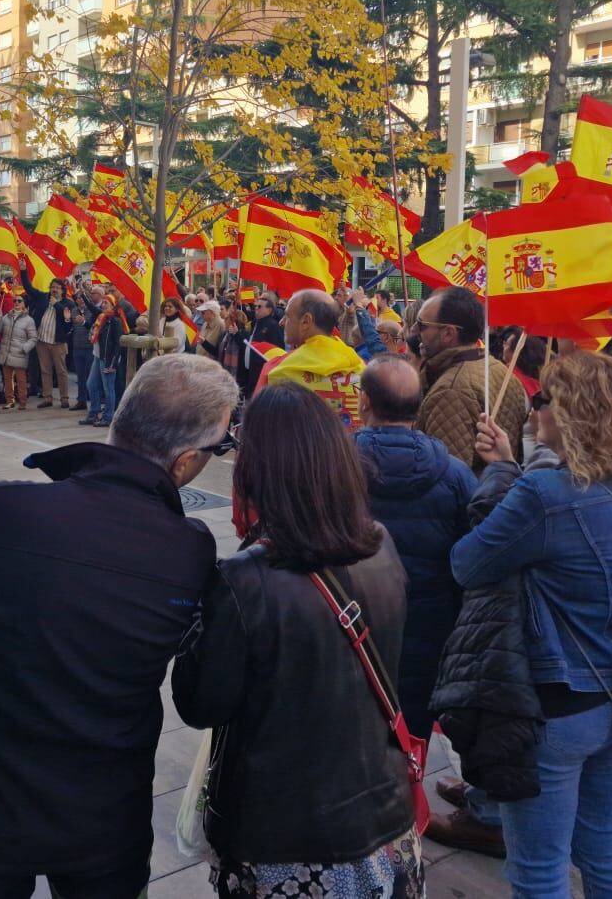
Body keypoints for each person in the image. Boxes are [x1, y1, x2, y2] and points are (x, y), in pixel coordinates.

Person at [0, 355, 238, 898]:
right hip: (102, 810)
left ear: (119, 418)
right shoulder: (189, 551)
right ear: (187, 462)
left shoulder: (1, 509)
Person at [173, 381, 421, 896]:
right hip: (383, 817)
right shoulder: (381, 544)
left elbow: (199, 702)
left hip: (287, 839)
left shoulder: (244, 580)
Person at [452, 352, 612, 898]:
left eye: (543, 398)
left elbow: (467, 563)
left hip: (556, 703)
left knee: (538, 869)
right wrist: (512, 465)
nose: (532, 409)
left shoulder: (546, 494)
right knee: (602, 847)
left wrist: (502, 473)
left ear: (572, 412)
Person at [354, 354, 474, 741]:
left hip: (351, 620)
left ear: (365, 401)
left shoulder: (332, 464)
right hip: (429, 622)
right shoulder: (457, 474)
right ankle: (408, 790)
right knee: (413, 723)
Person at [413, 287, 526, 470]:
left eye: (421, 325)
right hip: (499, 489)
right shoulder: (500, 370)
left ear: (448, 333)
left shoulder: (450, 391)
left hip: (476, 495)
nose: (414, 330)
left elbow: (446, 480)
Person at [255, 289, 364, 428]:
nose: (282, 322)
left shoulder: (277, 370)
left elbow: (257, 431)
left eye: (288, 316)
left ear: (306, 321)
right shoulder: (361, 368)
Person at [24, 272, 73, 407]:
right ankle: (48, 398)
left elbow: (68, 321)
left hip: (58, 343)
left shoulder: (67, 303)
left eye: (57, 287)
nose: (54, 289)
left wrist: (56, 304)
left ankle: (64, 398)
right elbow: (28, 288)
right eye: (52, 287)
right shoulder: (43, 298)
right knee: (45, 371)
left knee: (61, 371)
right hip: (42, 341)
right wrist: (23, 271)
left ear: (62, 290)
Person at [82, 293, 128, 428]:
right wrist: (80, 293)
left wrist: (113, 363)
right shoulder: (102, 317)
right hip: (97, 356)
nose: (103, 305)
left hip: (107, 359)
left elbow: (117, 344)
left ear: (113, 306)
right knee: (91, 385)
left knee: (108, 389)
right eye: (103, 303)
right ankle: (94, 413)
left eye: (106, 303)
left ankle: (108, 417)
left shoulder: (115, 321)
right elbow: (91, 306)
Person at [0, 296, 37, 410]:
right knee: (7, 379)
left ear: (24, 304)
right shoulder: (6, 316)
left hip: (19, 354)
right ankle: (10, 400)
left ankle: (22, 402)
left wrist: (24, 348)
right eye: (15, 301)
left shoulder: (29, 320)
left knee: (21, 379)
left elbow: (33, 338)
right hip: (6, 352)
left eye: (19, 301)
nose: (16, 303)